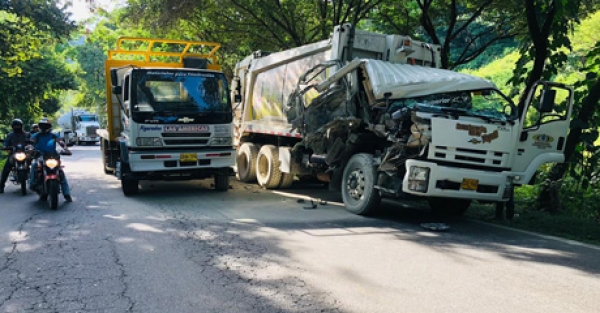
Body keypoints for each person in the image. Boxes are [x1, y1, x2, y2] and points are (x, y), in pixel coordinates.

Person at [29, 118, 72, 202]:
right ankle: (32, 184)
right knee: (34, 165)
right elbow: (31, 143)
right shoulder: (36, 135)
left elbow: (61, 142)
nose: (44, 127)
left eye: (46, 126)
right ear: (39, 126)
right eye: (42, 125)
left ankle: (67, 194)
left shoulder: (53, 135)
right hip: (40, 155)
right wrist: (30, 148)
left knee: (60, 172)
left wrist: (66, 149)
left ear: (49, 126)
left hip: (52, 156)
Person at [1, 119, 31, 193]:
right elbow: (6, 142)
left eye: (18, 125)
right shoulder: (10, 135)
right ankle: (1, 186)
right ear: (12, 127)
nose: (17, 127)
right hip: (13, 154)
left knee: (36, 165)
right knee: (6, 169)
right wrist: (5, 146)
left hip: (25, 153)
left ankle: (37, 182)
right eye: (15, 126)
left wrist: (30, 146)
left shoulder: (27, 134)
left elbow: (31, 142)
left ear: (21, 126)